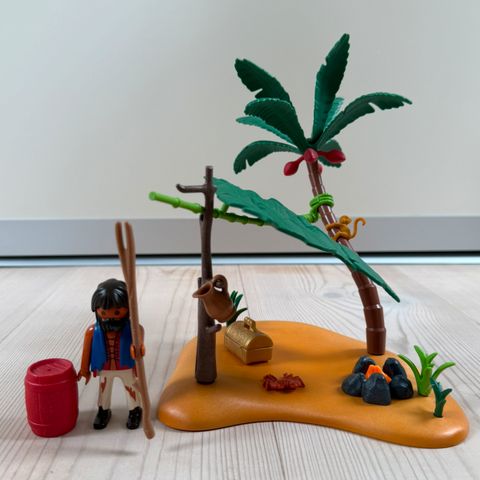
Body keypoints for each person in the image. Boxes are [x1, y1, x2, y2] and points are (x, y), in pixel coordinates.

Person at [78, 278, 143, 430]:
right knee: (104, 390)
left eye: (117, 312)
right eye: (103, 312)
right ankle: (103, 411)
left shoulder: (133, 329)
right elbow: (86, 350)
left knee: (131, 388)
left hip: (126, 365)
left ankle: (135, 411)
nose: (110, 316)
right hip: (104, 366)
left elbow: (140, 335)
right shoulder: (92, 331)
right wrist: (84, 369)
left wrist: (139, 347)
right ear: (97, 310)